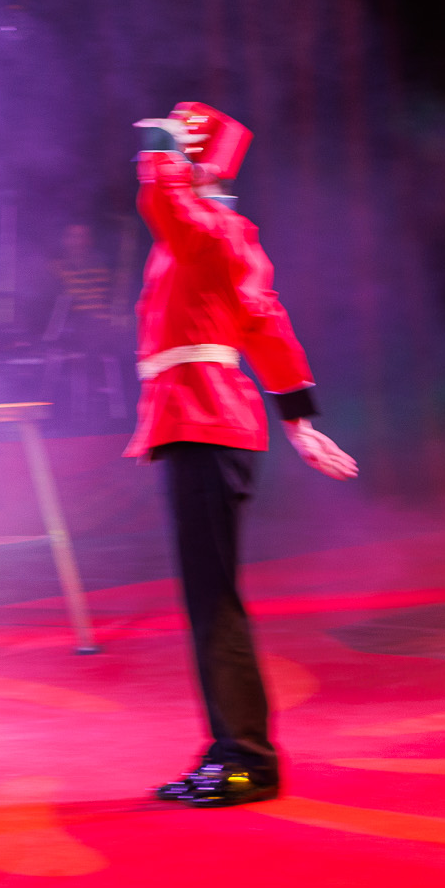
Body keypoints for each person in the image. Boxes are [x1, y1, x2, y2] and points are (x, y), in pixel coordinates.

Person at [130, 102, 357, 809]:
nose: (160, 160)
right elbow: (267, 326)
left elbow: (165, 206)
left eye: (177, 149)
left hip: (204, 421)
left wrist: (161, 151)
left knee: (215, 602)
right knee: (211, 600)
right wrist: (298, 420)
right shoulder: (218, 233)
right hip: (200, 421)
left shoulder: (209, 228)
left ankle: (246, 758)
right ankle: (231, 747)